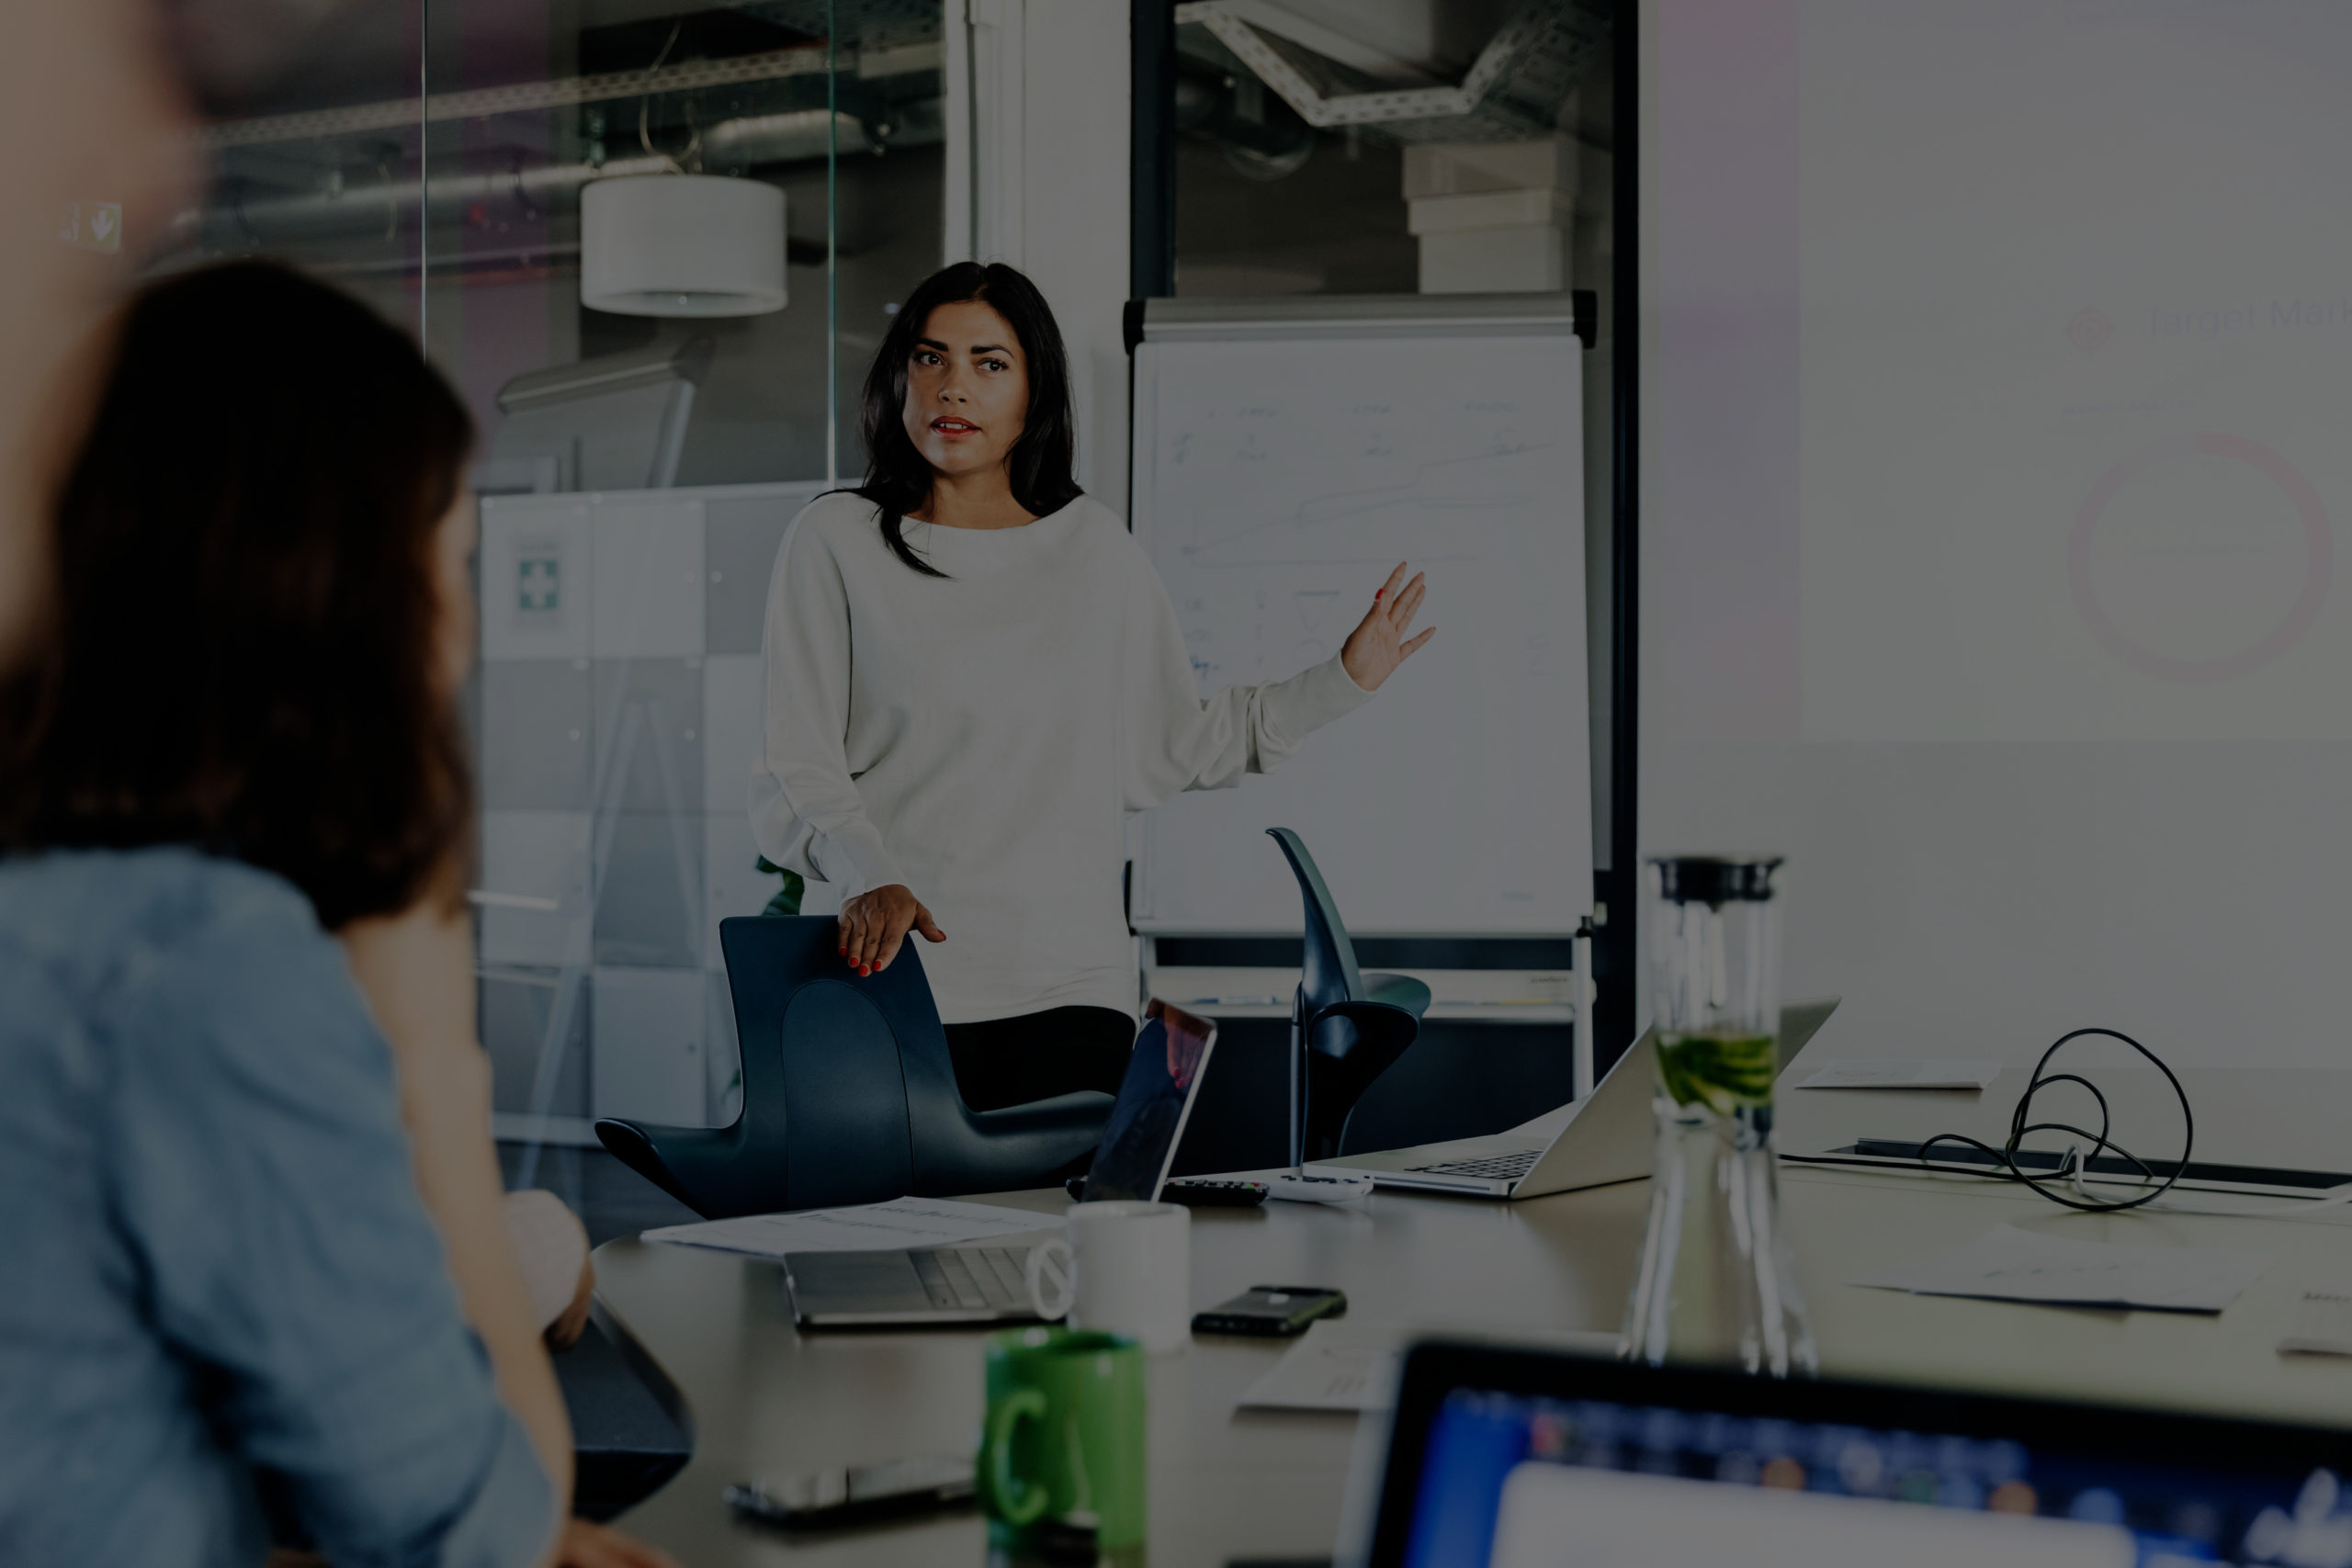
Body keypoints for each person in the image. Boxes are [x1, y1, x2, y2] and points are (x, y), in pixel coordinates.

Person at [0, 262, 674, 1568]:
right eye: (456, 567)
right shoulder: (200, 966)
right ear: (348, 595)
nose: (466, 634)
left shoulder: (54, 918)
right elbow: (474, 1533)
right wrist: (430, 1037)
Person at [751, 262, 1433, 1111]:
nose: (953, 384)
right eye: (930, 358)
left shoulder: (1093, 550)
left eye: (989, 362)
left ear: (1034, 394)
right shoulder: (835, 539)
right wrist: (868, 874)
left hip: (1066, 992)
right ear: (899, 378)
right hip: (880, 988)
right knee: (872, 1242)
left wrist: (1341, 680)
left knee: (1045, 1242)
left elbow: (1173, 745)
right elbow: (797, 766)